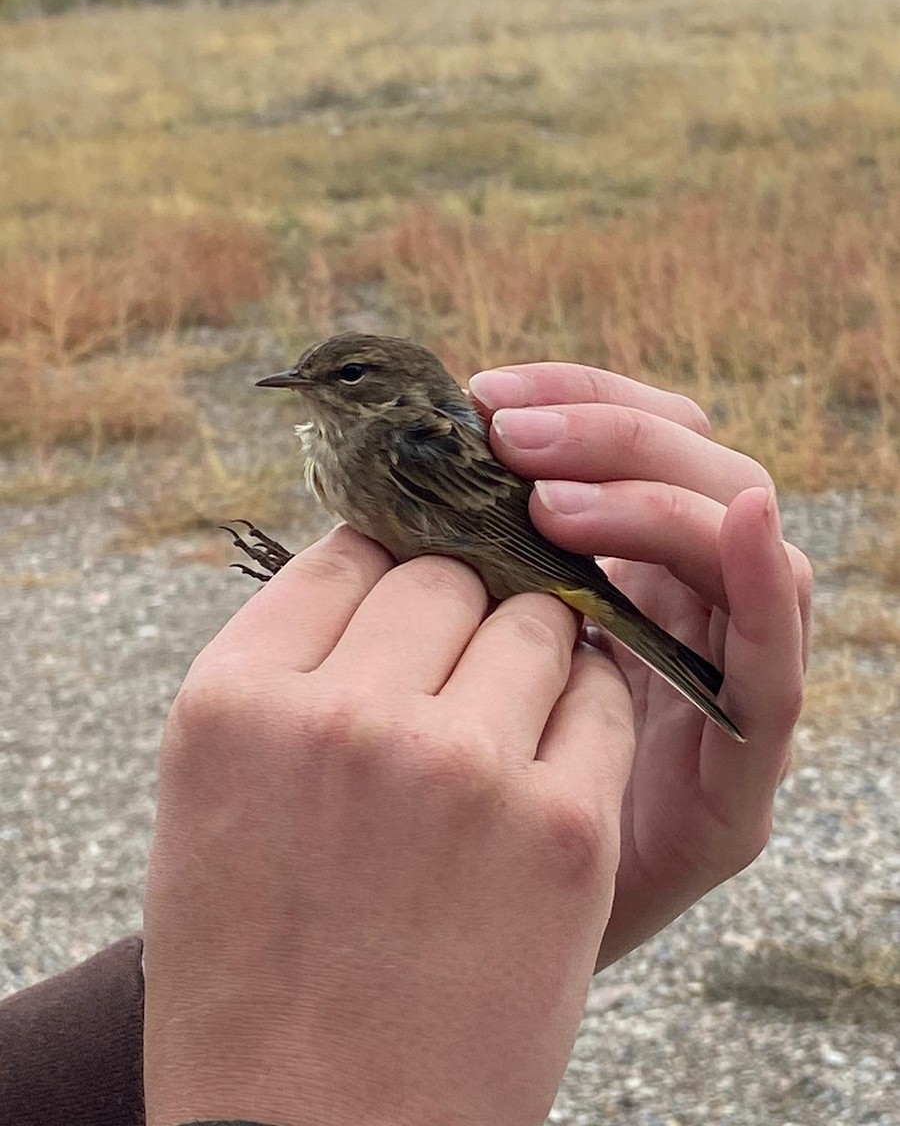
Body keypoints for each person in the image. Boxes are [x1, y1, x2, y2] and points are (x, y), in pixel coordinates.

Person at [0, 361, 811, 1126]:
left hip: (526, 568)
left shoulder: (401, 441)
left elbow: (499, 540)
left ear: (388, 391)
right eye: (308, 378)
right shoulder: (356, 443)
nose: (309, 390)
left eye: (343, 378)